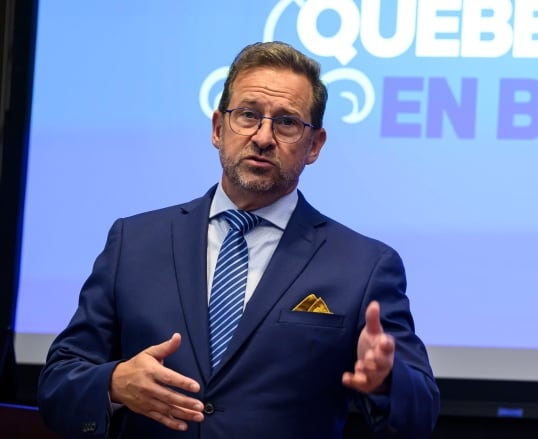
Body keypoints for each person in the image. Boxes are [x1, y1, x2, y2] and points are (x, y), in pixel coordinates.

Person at [37, 41, 440, 438]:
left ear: (314, 145)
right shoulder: (135, 242)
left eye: (286, 122)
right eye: (248, 115)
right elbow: (59, 382)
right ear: (218, 128)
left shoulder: (363, 266)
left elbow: (422, 412)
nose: (264, 137)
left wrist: (387, 381)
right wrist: (114, 383)